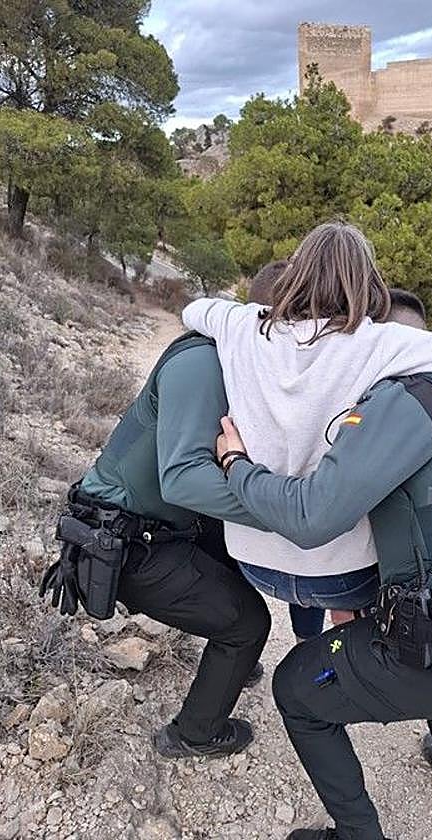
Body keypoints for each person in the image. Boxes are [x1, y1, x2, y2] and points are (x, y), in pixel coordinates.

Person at [214, 293, 432, 840]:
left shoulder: (406, 400)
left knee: (296, 690)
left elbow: (311, 516)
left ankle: (358, 834)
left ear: (379, 342)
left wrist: (236, 464)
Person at [181, 222, 432, 650]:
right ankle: (337, 658)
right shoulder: (382, 344)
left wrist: (253, 319)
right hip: (344, 577)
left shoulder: (242, 325)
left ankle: (307, 642)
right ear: (368, 283)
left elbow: (194, 310)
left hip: (253, 560)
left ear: (293, 274)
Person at [39, 307, 273, 760]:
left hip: (152, 527)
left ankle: (232, 661)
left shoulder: (222, 357)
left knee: (232, 557)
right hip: (125, 542)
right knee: (250, 625)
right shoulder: (204, 363)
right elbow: (182, 482)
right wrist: (281, 511)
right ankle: (194, 734)